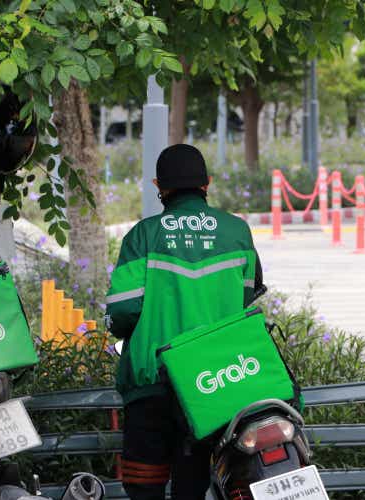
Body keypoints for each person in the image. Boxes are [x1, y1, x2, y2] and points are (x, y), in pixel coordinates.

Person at [104, 144, 263, 500]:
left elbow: (122, 311)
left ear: (159, 185)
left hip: (152, 384)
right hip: (215, 383)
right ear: (206, 183)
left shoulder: (142, 236)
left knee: (145, 486)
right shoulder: (237, 232)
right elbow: (247, 296)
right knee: (193, 486)